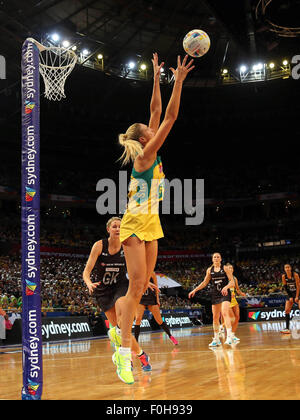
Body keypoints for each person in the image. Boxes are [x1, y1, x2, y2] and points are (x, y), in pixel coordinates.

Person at [115, 53, 194, 384]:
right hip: (134, 223)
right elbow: (171, 115)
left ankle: (124, 332)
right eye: (148, 128)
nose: (153, 125)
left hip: (152, 226)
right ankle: (122, 353)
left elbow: (157, 111)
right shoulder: (146, 157)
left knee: (143, 285)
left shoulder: (149, 150)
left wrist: (155, 79)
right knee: (135, 286)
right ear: (143, 138)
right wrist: (178, 81)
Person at [82, 216, 152, 381]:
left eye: (120, 226)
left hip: (121, 287)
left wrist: (146, 280)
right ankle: (142, 355)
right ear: (108, 229)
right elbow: (86, 270)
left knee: (123, 324)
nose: (118, 229)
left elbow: (138, 266)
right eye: (114, 226)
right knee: (121, 332)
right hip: (103, 291)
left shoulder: (126, 246)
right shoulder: (99, 245)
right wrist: (88, 283)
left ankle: (125, 358)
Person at [188, 253, 235, 346]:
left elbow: (232, 281)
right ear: (212, 259)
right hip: (215, 294)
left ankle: (229, 337)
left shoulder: (225, 268)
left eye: (218, 257)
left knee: (225, 312)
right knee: (215, 317)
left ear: (221, 259)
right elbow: (204, 282)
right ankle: (216, 339)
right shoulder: (210, 270)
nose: (216, 258)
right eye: (214, 257)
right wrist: (195, 290)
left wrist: (226, 287)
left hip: (225, 293)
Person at [134, 272, 178, 345]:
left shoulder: (152, 273)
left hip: (151, 298)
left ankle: (171, 336)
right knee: (138, 319)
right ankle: (136, 342)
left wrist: (157, 299)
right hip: (141, 298)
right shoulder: (138, 271)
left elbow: (156, 286)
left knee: (159, 320)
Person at [225, 264, 246, 342]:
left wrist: (241, 293)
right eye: (228, 268)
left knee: (237, 317)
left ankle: (233, 335)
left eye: (231, 268)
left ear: (233, 270)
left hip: (234, 300)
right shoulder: (224, 278)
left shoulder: (234, 278)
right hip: (226, 300)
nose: (230, 269)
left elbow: (237, 289)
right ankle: (228, 335)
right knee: (232, 318)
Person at [281, 264, 300, 334]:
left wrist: (297, 296)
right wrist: (290, 297)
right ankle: (287, 328)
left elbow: (298, 286)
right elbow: (285, 288)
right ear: (284, 269)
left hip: (298, 292)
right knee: (286, 310)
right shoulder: (283, 276)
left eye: (288, 267)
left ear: (291, 268)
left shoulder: (295, 275)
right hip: (290, 293)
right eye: (286, 267)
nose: (287, 269)